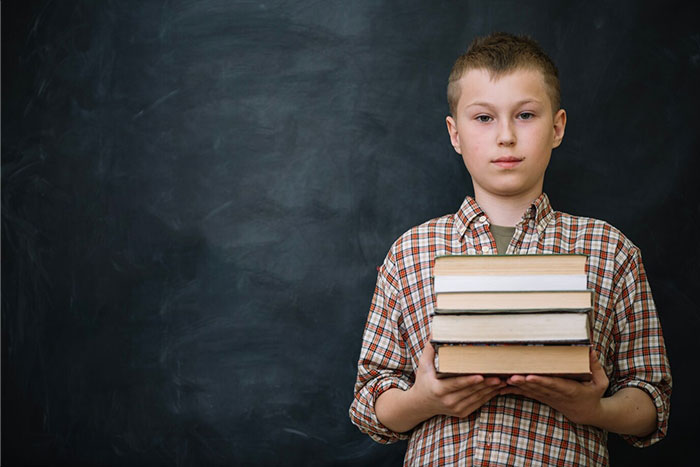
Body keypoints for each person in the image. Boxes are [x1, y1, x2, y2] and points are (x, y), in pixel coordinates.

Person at [348, 32, 671, 466]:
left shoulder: (610, 250)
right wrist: (426, 399)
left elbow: (652, 399)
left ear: (556, 127)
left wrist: (592, 409)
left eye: (524, 115)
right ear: (455, 133)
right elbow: (371, 401)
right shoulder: (410, 252)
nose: (505, 136)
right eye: (483, 118)